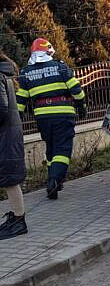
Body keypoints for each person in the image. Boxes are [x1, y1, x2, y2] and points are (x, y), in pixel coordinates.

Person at [16, 38, 86, 200]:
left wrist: (18, 116)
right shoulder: (60, 67)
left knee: (51, 148)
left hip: (42, 117)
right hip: (62, 113)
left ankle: (52, 179)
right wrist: (82, 105)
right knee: (62, 148)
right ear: (47, 52)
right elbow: (76, 89)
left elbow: (21, 98)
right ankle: (55, 180)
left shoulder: (26, 72)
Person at [0, 52, 28, 239]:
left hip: (5, 135)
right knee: (9, 178)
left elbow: (0, 109)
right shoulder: (3, 75)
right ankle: (17, 218)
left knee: (10, 179)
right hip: (7, 133)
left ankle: (19, 221)